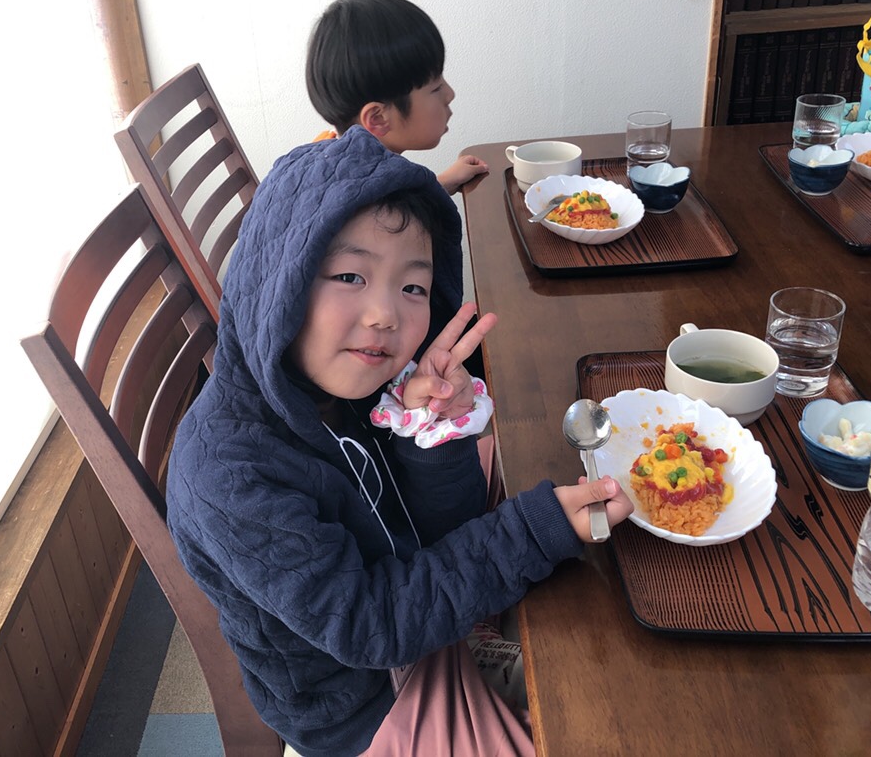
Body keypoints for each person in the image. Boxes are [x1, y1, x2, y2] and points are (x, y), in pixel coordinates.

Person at [166, 128, 633, 757]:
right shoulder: (228, 475)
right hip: (365, 703)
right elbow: (371, 626)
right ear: (279, 284)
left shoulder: (347, 382)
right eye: (350, 275)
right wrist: (529, 533)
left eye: (413, 287)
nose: (387, 314)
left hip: (418, 611)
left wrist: (428, 434)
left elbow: (444, 527)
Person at [306, 0, 489, 194]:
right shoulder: (385, 211)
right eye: (436, 88)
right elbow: (392, 206)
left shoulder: (326, 158)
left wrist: (440, 183)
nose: (450, 94)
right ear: (378, 118)